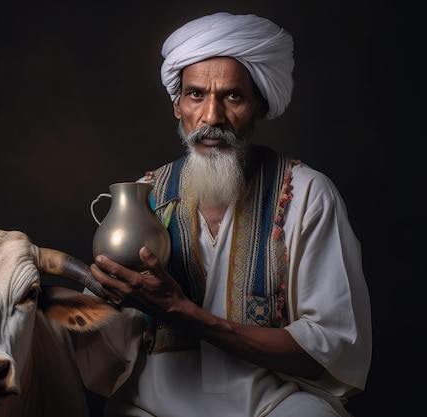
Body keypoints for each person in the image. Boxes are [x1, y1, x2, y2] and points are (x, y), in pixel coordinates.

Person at [75, 11, 371, 417]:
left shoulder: (305, 194)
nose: (211, 117)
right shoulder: (142, 198)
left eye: (232, 96)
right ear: (177, 106)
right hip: (152, 408)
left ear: (259, 106)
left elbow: (328, 348)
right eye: (196, 95)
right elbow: (99, 343)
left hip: (273, 404)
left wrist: (185, 314)